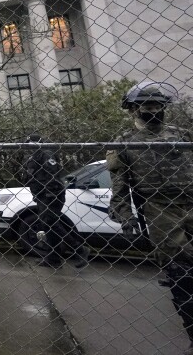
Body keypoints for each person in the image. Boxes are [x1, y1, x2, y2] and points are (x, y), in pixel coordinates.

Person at [107, 81, 193, 354]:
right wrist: (126, 216)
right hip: (160, 209)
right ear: (134, 110)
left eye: (157, 105)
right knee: (182, 275)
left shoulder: (183, 135)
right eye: (146, 105)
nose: (153, 109)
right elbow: (119, 185)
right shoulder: (123, 143)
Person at [23, 133, 90, 268]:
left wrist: (50, 193)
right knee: (48, 225)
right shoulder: (35, 155)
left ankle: (79, 249)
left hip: (51, 194)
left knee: (51, 223)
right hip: (42, 194)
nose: (28, 146)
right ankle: (53, 258)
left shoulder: (46, 153)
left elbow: (52, 174)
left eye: (30, 143)